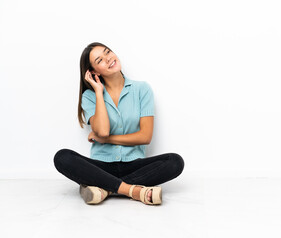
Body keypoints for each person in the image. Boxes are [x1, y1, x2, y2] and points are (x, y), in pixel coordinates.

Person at [53, 42, 184, 205]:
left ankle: (104, 188)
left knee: (175, 162)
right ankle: (134, 191)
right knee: (62, 157)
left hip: (134, 164)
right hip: (101, 165)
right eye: (100, 60)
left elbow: (145, 136)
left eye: (108, 52)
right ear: (93, 71)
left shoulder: (142, 89)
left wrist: (106, 140)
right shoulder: (90, 96)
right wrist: (99, 92)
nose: (108, 59)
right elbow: (102, 131)